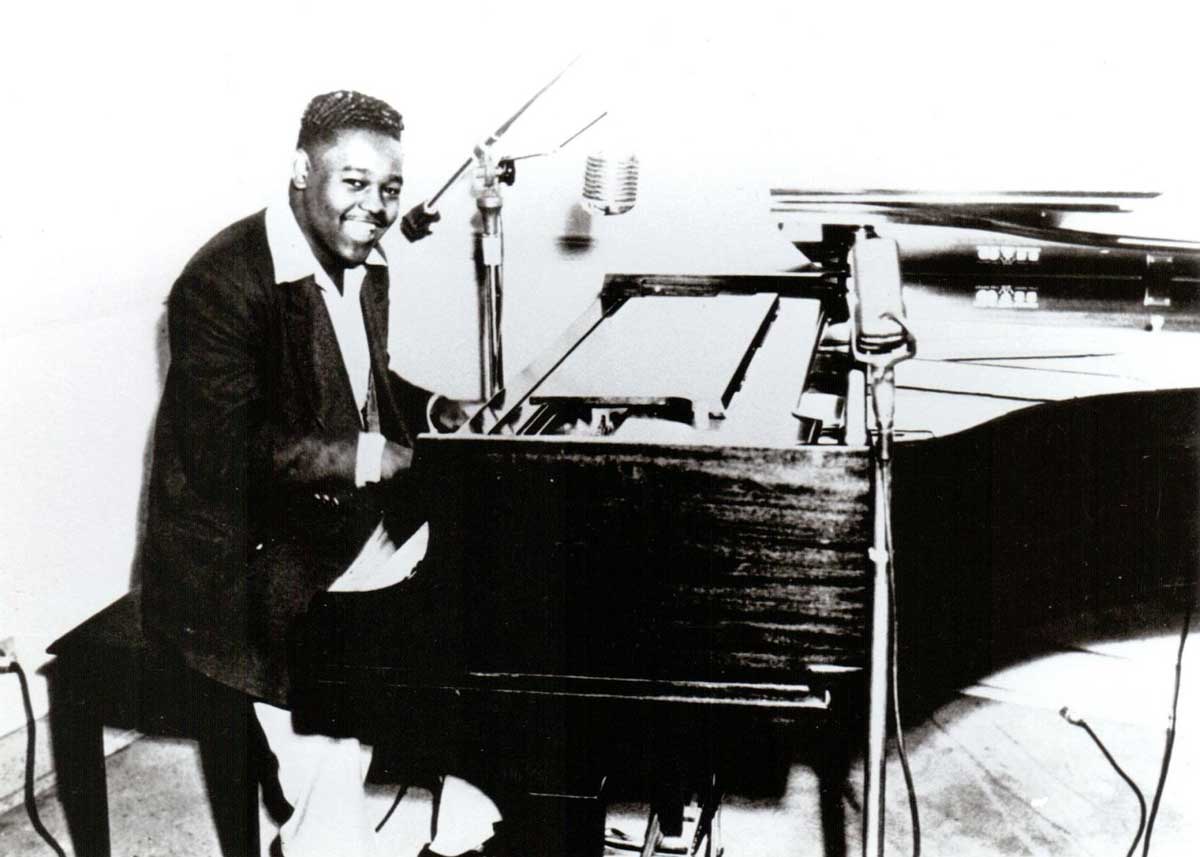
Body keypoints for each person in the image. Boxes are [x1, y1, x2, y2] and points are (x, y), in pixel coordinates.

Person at [140, 90, 499, 857]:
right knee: (331, 775)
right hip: (239, 554)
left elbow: (363, 380)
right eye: (355, 182)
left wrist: (436, 408)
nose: (376, 207)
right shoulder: (219, 283)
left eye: (390, 189)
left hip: (333, 521)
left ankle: (465, 823)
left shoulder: (364, 263)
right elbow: (225, 451)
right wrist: (367, 456)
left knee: (503, 560)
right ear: (302, 170)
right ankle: (318, 828)